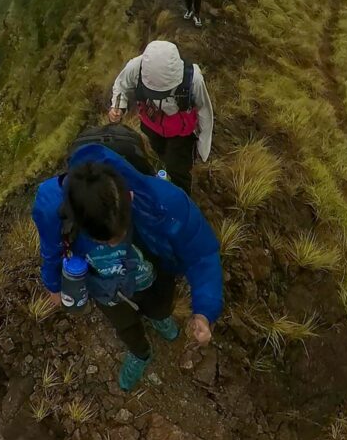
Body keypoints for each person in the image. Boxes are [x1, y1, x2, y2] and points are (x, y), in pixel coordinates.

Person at [32, 141, 222, 391]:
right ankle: (140, 352)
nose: (113, 244)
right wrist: (53, 285)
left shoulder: (165, 203)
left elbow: (202, 254)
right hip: (105, 290)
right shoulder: (51, 208)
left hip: (154, 279)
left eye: (119, 234)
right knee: (125, 326)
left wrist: (204, 311)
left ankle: (160, 318)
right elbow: (51, 249)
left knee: (160, 307)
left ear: (129, 196)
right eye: (103, 239)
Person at [108, 39, 214, 192]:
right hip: (151, 125)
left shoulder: (193, 79)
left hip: (181, 133)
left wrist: (203, 148)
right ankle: (166, 165)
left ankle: (182, 195)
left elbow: (204, 110)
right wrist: (118, 107)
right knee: (160, 149)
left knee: (177, 167)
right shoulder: (136, 68)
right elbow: (121, 85)